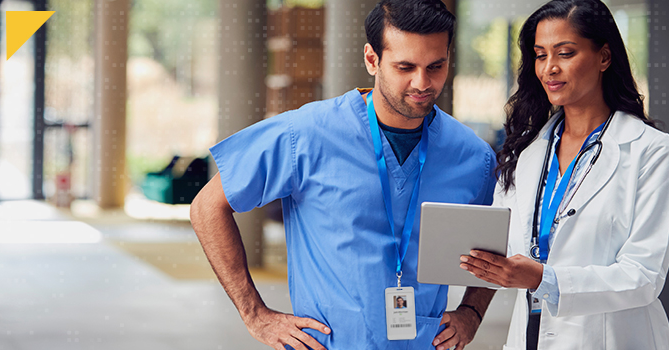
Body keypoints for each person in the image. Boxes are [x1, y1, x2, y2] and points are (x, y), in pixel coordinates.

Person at [190, 1, 498, 349]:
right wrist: (255, 314)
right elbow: (207, 208)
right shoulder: (305, 134)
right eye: (405, 66)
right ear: (372, 60)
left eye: (436, 66)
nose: (422, 82)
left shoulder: (474, 158)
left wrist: (472, 311)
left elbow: (499, 245)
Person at [458, 1, 669, 349]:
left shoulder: (651, 152)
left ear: (604, 57)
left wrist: (544, 279)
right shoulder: (528, 151)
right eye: (540, 55)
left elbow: (644, 276)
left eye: (565, 53)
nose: (549, 68)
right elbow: (504, 242)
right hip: (530, 335)